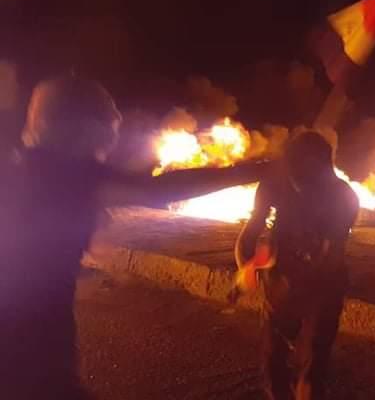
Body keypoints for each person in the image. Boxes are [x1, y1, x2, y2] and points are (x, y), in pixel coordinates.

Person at [0, 76, 269, 399]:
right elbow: (159, 190)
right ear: (83, 127)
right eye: (106, 120)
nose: (112, 132)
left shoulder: (23, 167)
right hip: (32, 338)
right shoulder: (69, 175)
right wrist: (253, 170)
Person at [235, 131, 359, 400]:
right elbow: (250, 233)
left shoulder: (343, 197)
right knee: (273, 363)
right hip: (279, 286)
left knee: (312, 368)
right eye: (295, 169)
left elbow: (331, 254)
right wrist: (246, 268)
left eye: (309, 170)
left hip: (323, 288)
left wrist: (302, 284)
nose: (300, 178)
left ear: (325, 166)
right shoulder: (273, 184)